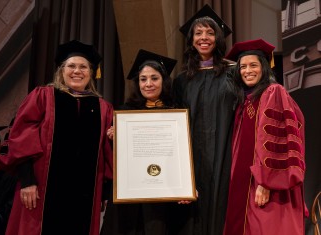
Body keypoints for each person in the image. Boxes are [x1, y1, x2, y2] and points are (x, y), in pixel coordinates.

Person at [0, 40, 114, 235]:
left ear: (92, 72)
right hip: (39, 190)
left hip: (83, 197)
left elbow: (105, 154)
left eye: (83, 67)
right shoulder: (43, 97)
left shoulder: (102, 108)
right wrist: (27, 181)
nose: (77, 71)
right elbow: (21, 137)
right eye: (72, 66)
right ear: (62, 70)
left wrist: (103, 192)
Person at [223, 38, 308, 235]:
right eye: (243, 66)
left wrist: (266, 182)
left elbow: (278, 140)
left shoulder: (273, 92)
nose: (247, 71)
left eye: (253, 65)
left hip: (266, 185)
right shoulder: (245, 101)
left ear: (264, 68)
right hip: (245, 186)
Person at [172, 4, 236, 235]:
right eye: (198, 33)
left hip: (226, 153)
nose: (204, 38)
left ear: (218, 38)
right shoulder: (181, 80)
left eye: (210, 32)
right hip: (193, 157)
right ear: (191, 40)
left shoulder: (234, 73)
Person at [101, 49, 178, 235]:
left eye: (154, 78)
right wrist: (114, 139)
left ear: (164, 81)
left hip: (162, 190)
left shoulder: (176, 113)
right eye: (143, 79)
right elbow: (118, 158)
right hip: (131, 190)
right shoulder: (125, 113)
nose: (148, 84)